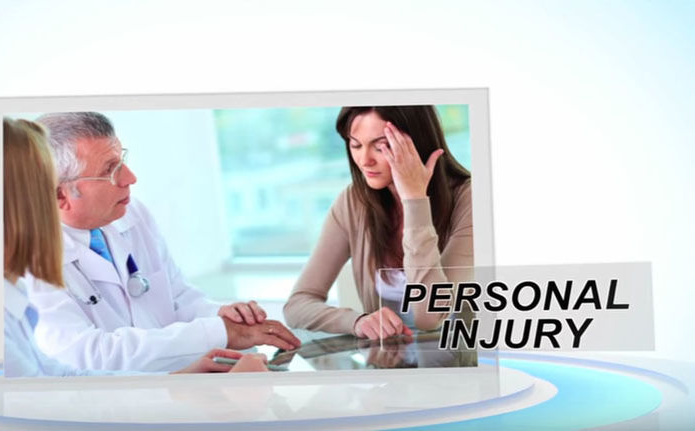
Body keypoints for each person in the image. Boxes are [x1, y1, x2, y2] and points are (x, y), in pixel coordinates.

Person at [27, 112, 300, 372]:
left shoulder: (130, 213)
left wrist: (222, 315)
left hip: (174, 383)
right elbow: (86, 356)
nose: (130, 178)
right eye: (111, 170)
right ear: (60, 194)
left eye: (121, 160)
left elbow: (177, 297)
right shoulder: (27, 259)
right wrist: (217, 333)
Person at [283, 106, 472, 340]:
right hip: (387, 369)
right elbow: (297, 306)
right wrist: (357, 321)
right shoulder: (353, 202)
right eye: (355, 145)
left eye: (382, 145)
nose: (365, 160)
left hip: (461, 366)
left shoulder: (470, 199)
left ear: (418, 142)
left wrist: (415, 200)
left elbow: (429, 316)